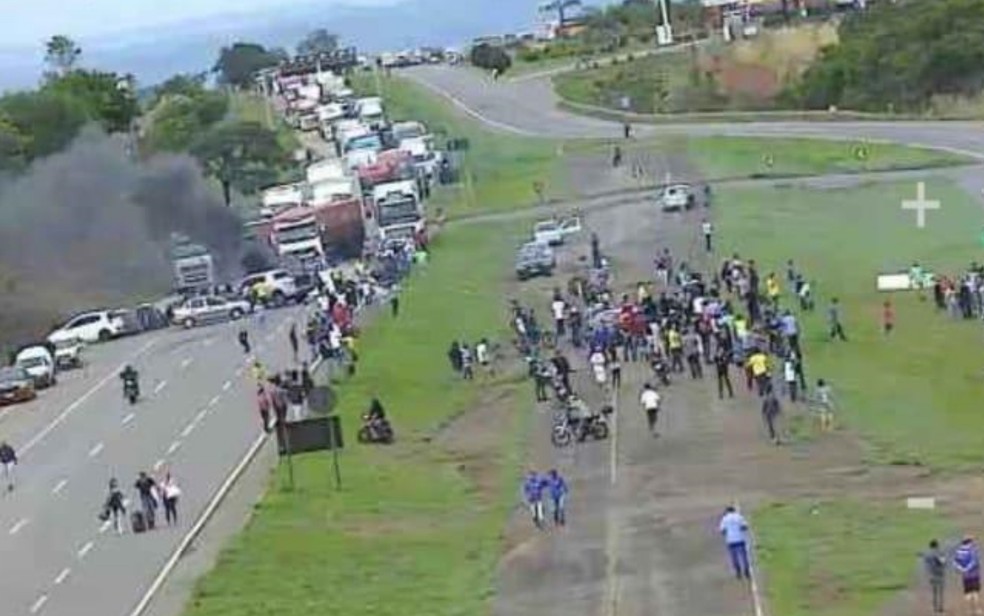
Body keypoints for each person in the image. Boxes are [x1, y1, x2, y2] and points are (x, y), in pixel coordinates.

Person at [718, 506, 751, 580]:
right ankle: (746, 571)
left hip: (730, 540)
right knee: (743, 556)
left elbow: (722, 531)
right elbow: (745, 526)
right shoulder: (739, 517)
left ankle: (738, 572)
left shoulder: (725, 518)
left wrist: (728, 532)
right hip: (740, 539)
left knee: (734, 557)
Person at [954, 536, 982, 616]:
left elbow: (955, 563)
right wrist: (967, 569)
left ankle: (968, 611)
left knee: (967, 593)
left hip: (965, 576)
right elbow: (974, 562)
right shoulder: (972, 551)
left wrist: (962, 569)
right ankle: (976, 610)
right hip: (974, 574)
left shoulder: (959, 551)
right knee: (975, 592)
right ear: (969, 542)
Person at [921, 539, 947, 615]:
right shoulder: (939, 553)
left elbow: (926, 563)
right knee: (940, 592)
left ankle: (934, 608)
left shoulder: (927, 554)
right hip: (939, 574)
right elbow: (943, 562)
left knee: (934, 592)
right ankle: (940, 607)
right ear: (936, 546)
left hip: (931, 575)